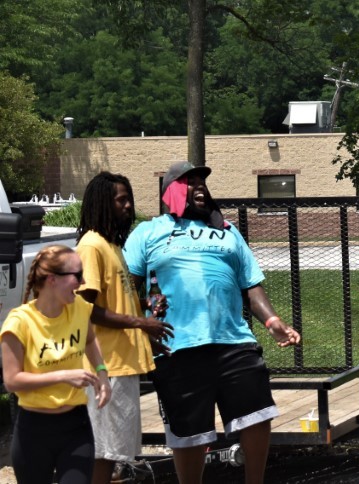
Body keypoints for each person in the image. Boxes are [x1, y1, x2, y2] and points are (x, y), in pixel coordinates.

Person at [124, 161, 301, 484]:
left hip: (233, 340)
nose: (200, 188)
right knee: (190, 430)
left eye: (202, 183)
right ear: (170, 193)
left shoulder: (227, 231)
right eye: (189, 183)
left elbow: (251, 283)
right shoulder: (148, 232)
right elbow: (126, 285)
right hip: (177, 345)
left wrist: (273, 320)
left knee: (257, 414)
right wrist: (141, 317)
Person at [76, 172, 173, 484]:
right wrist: (140, 321)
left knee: (113, 452)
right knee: (102, 452)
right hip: (104, 366)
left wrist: (145, 309)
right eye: (122, 200)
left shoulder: (113, 246)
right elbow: (85, 308)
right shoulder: (91, 245)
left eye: (129, 199)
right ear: (104, 202)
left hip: (122, 364)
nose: (129, 206)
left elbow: (115, 302)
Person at [1, 245, 112, 484]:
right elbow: (11, 381)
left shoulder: (79, 309)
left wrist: (102, 374)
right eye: (77, 275)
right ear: (52, 279)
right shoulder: (19, 322)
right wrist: (62, 375)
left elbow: (90, 340)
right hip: (33, 430)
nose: (82, 282)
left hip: (76, 426)